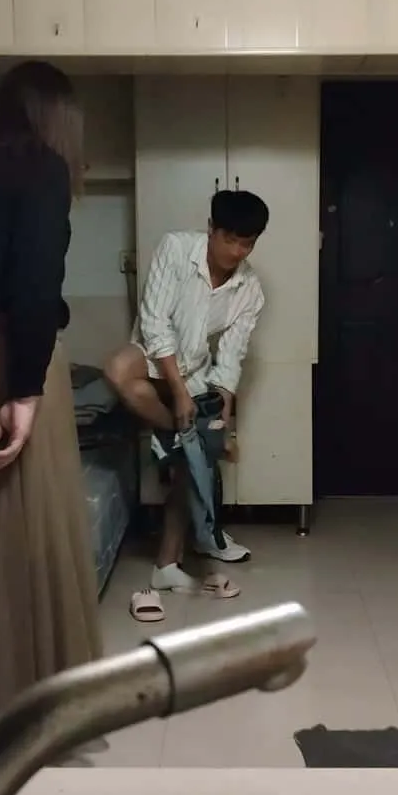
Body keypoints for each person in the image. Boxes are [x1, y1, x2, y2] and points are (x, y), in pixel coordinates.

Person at [0, 61, 102, 746]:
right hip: (9, 360)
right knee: (21, 533)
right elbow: (35, 285)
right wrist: (24, 389)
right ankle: (28, 711)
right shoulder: (40, 169)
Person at [105, 190, 269, 614]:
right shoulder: (176, 248)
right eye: (230, 239)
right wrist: (178, 394)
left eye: (248, 244)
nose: (237, 252)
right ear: (211, 229)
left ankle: (167, 565)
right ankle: (184, 433)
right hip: (152, 357)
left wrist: (222, 412)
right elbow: (154, 322)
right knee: (118, 371)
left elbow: (230, 357)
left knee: (187, 463)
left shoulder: (249, 289)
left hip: (194, 371)